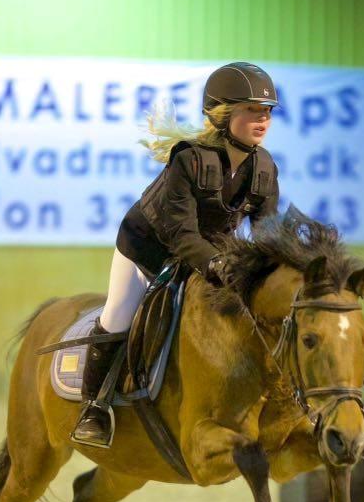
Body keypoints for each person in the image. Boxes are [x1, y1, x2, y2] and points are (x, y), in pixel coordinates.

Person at [71, 61, 280, 449]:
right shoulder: (190, 159)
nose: (263, 119)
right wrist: (217, 263)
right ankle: (94, 408)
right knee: (118, 316)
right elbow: (181, 233)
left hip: (206, 256)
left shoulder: (264, 168)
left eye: (267, 111)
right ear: (223, 114)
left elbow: (267, 233)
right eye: (252, 110)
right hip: (147, 249)